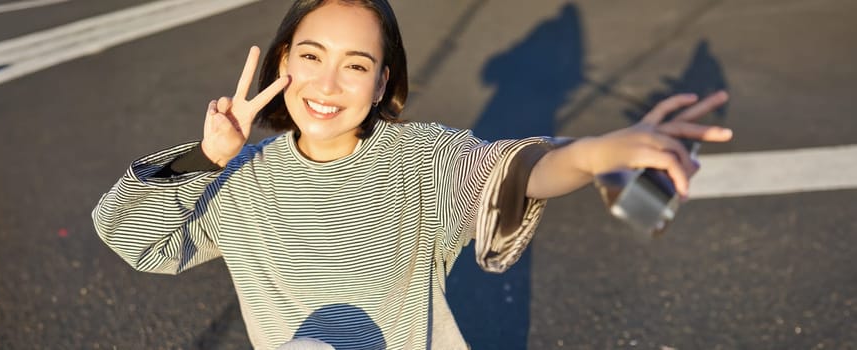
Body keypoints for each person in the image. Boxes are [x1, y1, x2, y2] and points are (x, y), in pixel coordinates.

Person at [91, 0, 734, 349]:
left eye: (355, 64)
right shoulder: (241, 180)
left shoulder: (417, 162)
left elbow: (514, 171)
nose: (326, 83)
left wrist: (596, 153)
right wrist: (207, 159)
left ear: (382, 84)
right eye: (310, 56)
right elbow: (133, 236)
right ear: (282, 61)